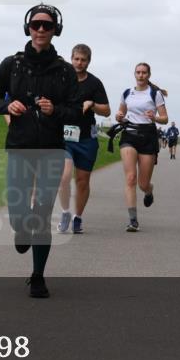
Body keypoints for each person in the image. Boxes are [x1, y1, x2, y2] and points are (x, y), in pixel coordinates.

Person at [0, 4, 80, 298]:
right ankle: (21, 228)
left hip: (51, 149)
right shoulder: (10, 65)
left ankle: (38, 276)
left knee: (41, 212)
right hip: (19, 147)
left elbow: (76, 111)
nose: (41, 30)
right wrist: (6, 105)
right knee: (18, 212)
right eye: (36, 25)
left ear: (56, 30)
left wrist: (55, 110)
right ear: (28, 28)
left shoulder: (65, 71)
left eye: (47, 26)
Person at [56, 44, 110, 235]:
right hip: (64, 137)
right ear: (71, 58)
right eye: (76, 59)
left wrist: (92, 104)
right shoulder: (61, 78)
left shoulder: (94, 83)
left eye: (83, 60)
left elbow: (107, 110)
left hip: (86, 138)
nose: (79, 63)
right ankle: (64, 212)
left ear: (89, 61)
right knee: (64, 176)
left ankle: (78, 217)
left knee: (82, 181)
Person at [114, 63, 169, 232]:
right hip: (129, 134)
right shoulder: (127, 93)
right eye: (138, 72)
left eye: (144, 72)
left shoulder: (155, 94)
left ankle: (149, 190)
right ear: (134, 74)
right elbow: (120, 114)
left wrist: (155, 118)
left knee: (142, 183)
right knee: (130, 178)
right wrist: (119, 117)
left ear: (149, 75)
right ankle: (133, 220)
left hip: (148, 136)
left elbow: (165, 119)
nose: (141, 75)